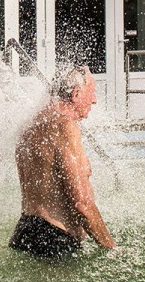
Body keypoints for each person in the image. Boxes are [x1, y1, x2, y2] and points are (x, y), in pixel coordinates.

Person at [9, 66, 116, 259]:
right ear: (76, 94)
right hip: (54, 240)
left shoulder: (30, 124)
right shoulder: (65, 126)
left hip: (25, 232)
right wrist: (112, 249)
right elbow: (82, 202)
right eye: (92, 93)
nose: (94, 100)